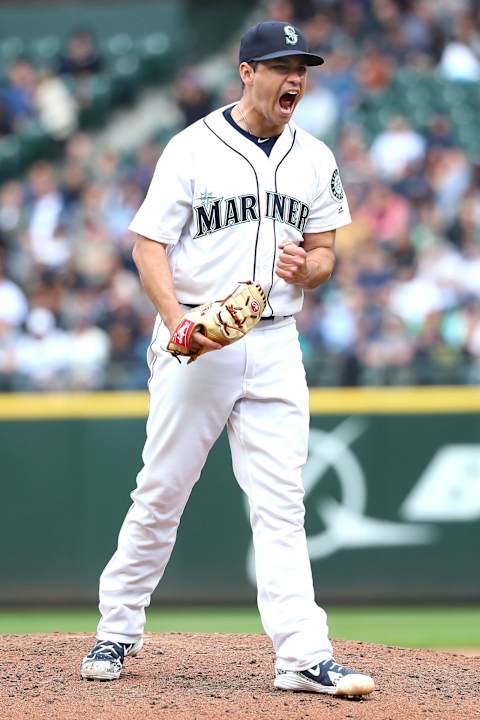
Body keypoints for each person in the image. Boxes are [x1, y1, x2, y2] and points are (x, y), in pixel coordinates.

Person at [80, 20, 375, 698]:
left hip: (275, 342)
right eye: (280, 65)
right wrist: (178, 323)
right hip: (200, 343)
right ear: (247, 72)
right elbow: (147, 245)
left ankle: (303, 654)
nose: (294, 77)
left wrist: (311, 269)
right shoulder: (192, 148)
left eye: (302, 66)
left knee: (282, 503)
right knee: (162, 491)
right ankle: (117, 629)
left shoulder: (314, 155)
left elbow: (326, 253)